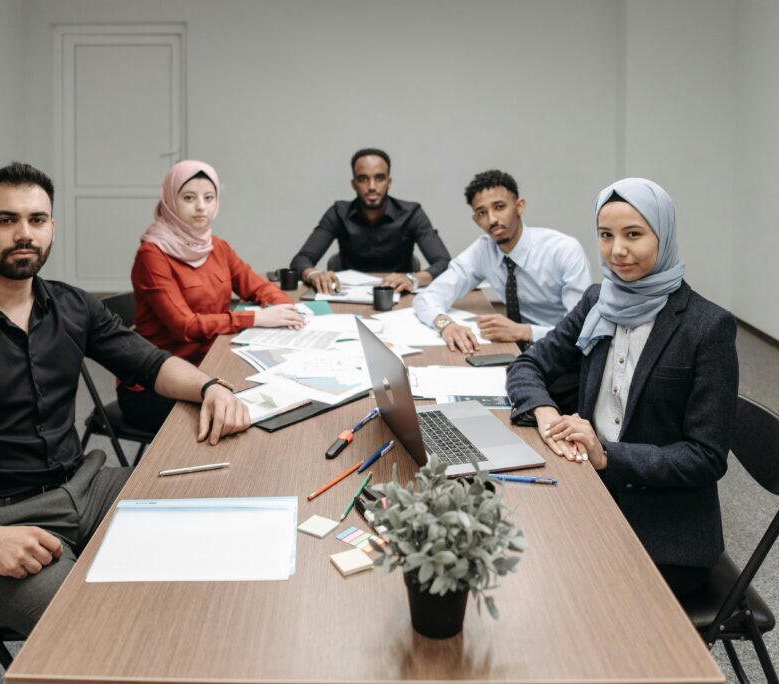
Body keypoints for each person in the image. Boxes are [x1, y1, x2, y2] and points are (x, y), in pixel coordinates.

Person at [0, 162, 250, 636]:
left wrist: (210, 387)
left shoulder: (73, 306)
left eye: (36, 220)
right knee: (100, 630)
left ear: (52, 227)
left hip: (87, 486)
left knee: (221, 519)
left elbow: (149, 364)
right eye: (6, 220)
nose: (23, 234)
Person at [506, 177, 739, 597]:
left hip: (663, 524)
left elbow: (705, 458)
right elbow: (528, 364)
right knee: (512, 552)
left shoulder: (706, 328)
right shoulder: (600, 300)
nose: (617, 251)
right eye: (605, 235)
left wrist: (607, 454)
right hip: (589, 487)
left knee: (555, 589)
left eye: (634, 234)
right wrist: (545, 412)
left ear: (663, 236)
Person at [122, 160, 304, 432]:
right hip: (158, 384)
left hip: (210, 364)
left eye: (209, 198)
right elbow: (186, 326)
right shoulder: (152, 254)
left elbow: (256, 286)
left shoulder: (217, 246)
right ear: (170, 200)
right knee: (250, 415)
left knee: (282, 396)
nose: (200, 206)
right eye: (188, 198)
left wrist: (284, 307)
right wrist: (255, 318)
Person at [413, 169, 591, 412]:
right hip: (516, 354)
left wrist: (524, 331)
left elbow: (582, 331)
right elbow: (429, 296)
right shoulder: (484, 249)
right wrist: (446, 324)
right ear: (476, 220)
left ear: (519, 206)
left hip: (563, 359)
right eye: (482, 213)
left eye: (499, 207)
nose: (492, 219)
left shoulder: (563, 250)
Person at [290, 148, 451, 294]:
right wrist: (314, 274)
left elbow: (443, 262)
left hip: (399, 296)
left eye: (380, 178)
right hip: (347, 297)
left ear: (389, 182)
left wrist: (413, 278)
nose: (372, 186)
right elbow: (301, 259)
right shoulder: (338, 213)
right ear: (354, 184)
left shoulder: (411, 213)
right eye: (363, 179)